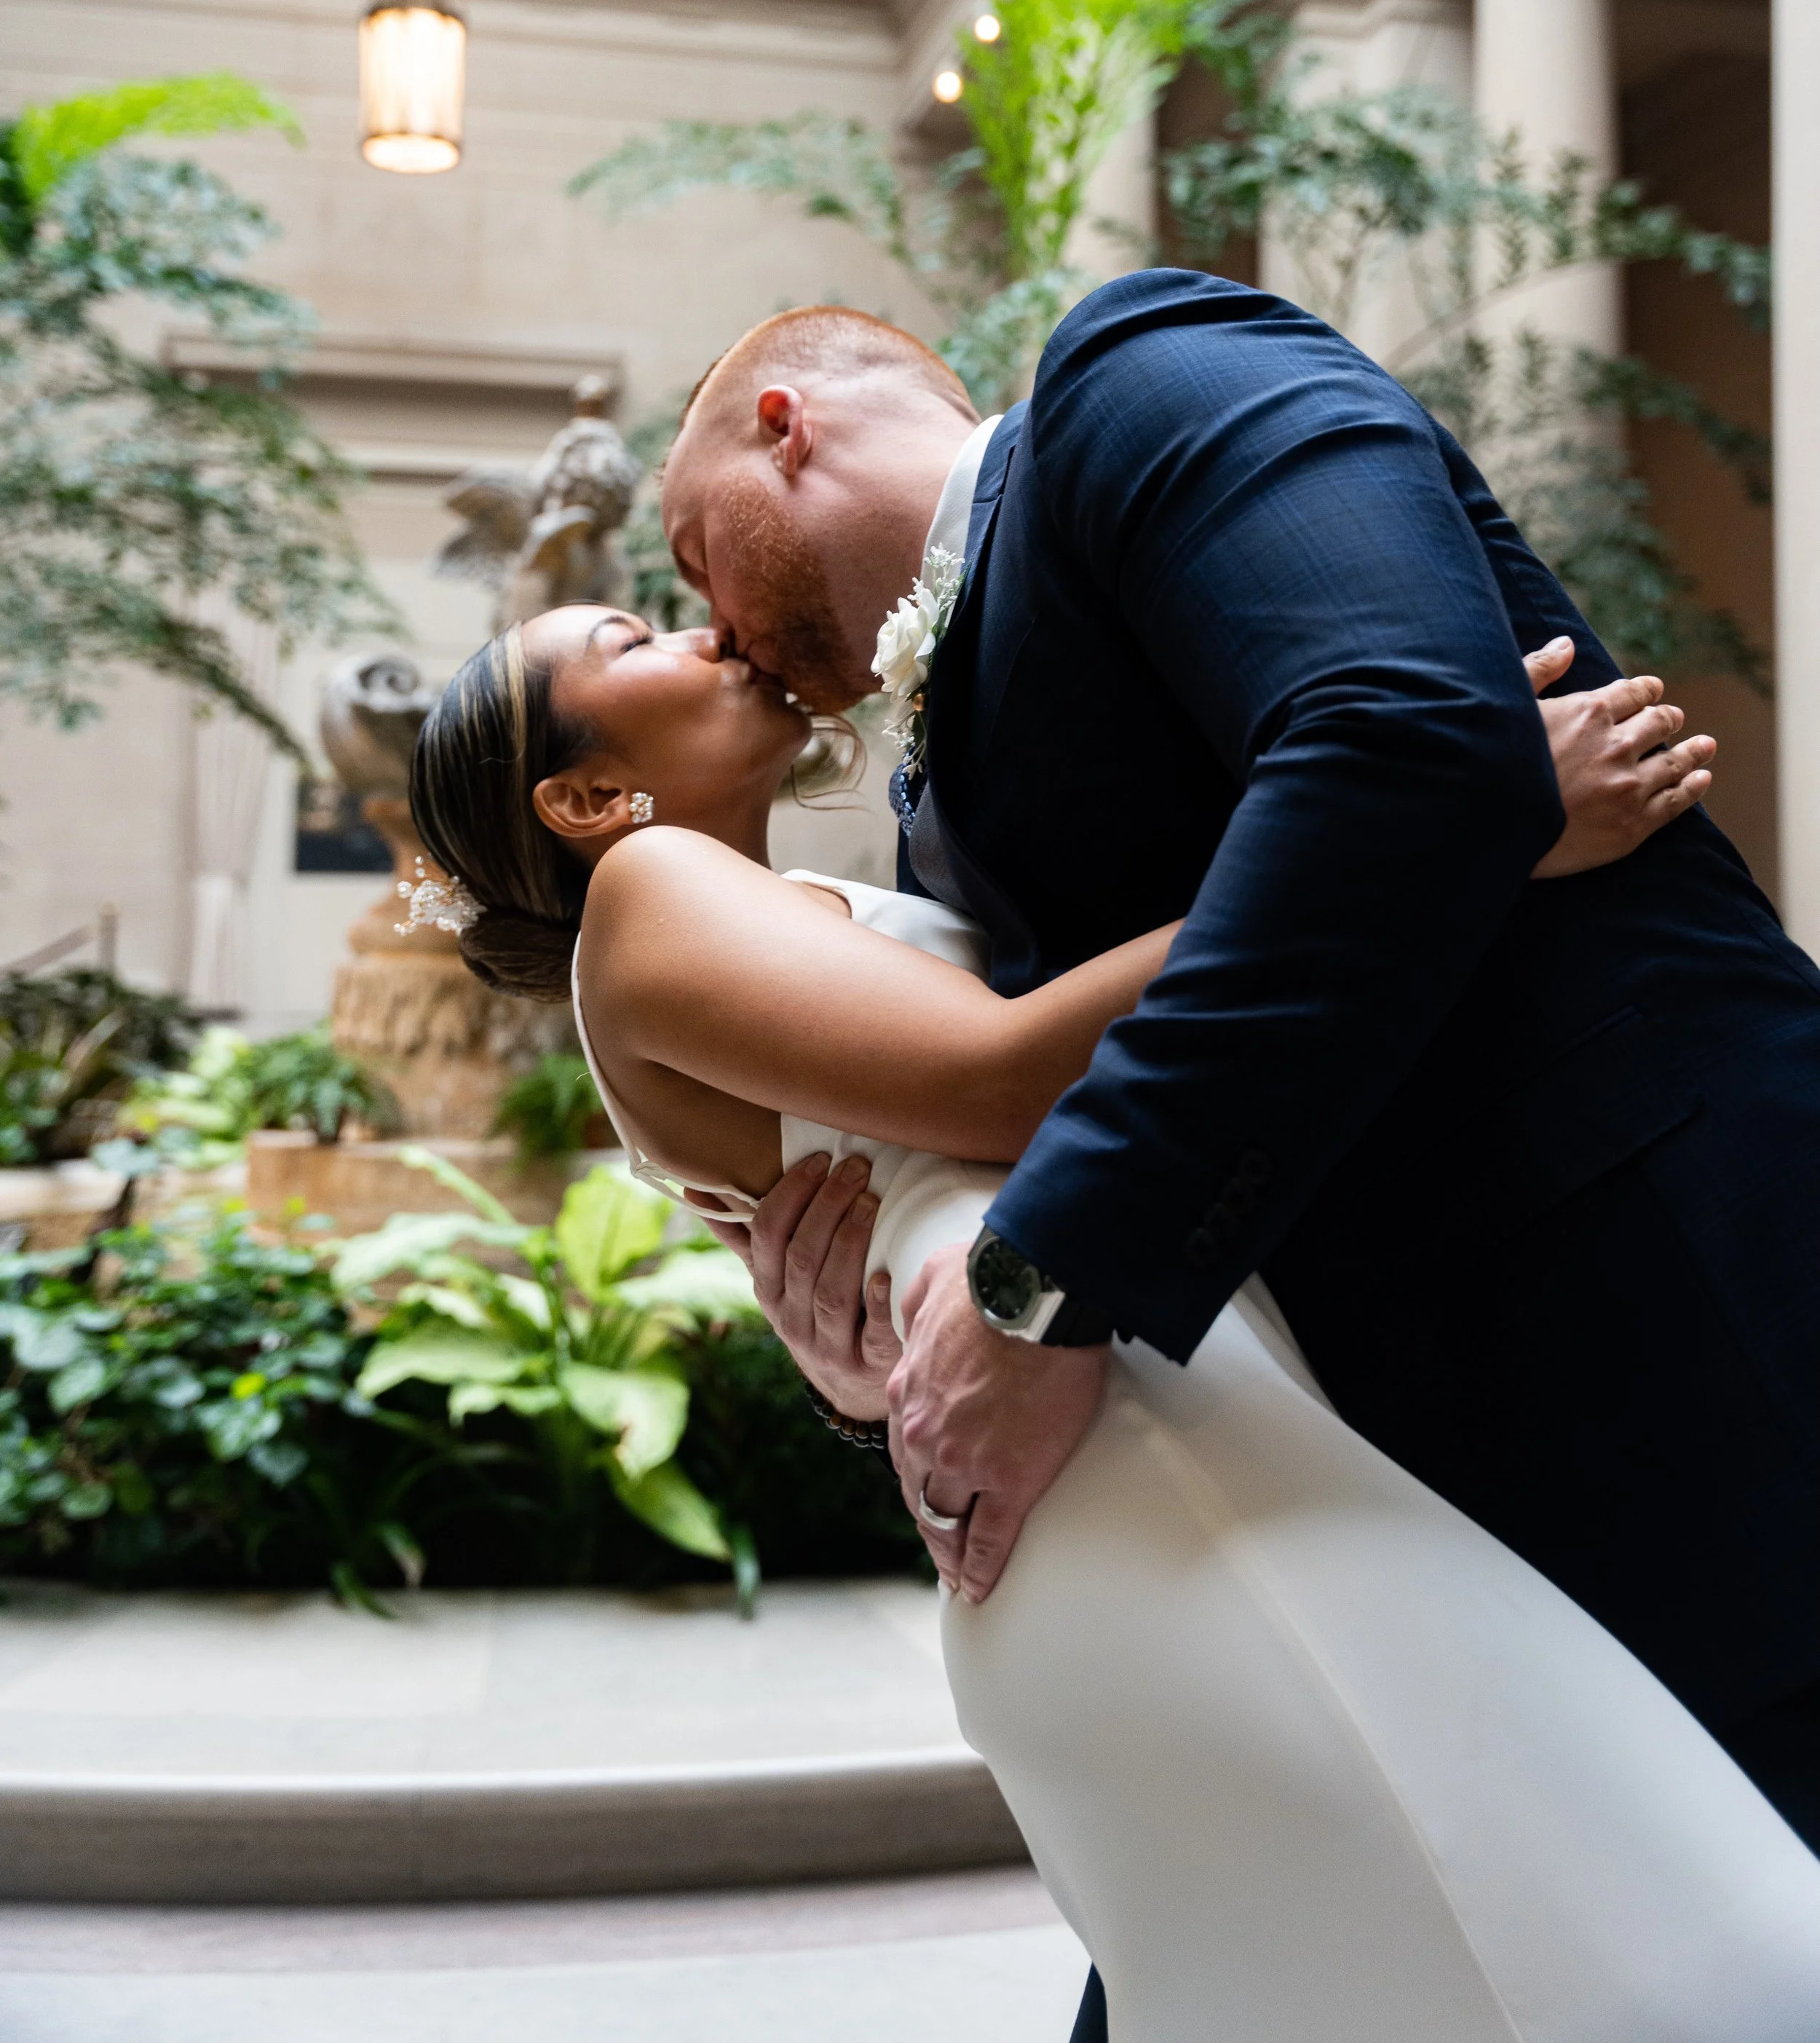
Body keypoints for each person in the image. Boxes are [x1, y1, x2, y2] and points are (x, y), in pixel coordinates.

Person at [405, 597, 1820, 2040]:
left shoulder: (729, 919)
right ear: (588, 797)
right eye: (634, 638)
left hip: (1138, 1425)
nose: (707, 632)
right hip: (1129, 1461)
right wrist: (1456, 826)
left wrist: (851, 1381)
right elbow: (1008, 1081)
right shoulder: (646, 891)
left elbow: (893, 1227)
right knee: (1590, 1919)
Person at [654, 280, 1820, 1891]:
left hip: (1677, 1304)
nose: (711, 628)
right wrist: (877, 1347)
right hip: (1395, 1463)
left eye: (691, 554)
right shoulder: (925, 802)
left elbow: (1403, 736)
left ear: (782, 428)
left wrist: (1041, 1285)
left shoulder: (1142, 373)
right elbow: (1066, 1083)